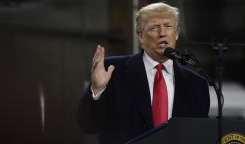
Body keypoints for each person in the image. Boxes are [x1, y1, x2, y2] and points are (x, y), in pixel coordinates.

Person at [77, 2, 210, 144]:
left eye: (168, 26)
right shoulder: (112, 71)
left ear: (176, 33)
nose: (162, 33)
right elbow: (87, 126)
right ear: (141, 36)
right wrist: (97, 90)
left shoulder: (196, 84)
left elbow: (199, 135)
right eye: (154, 28)